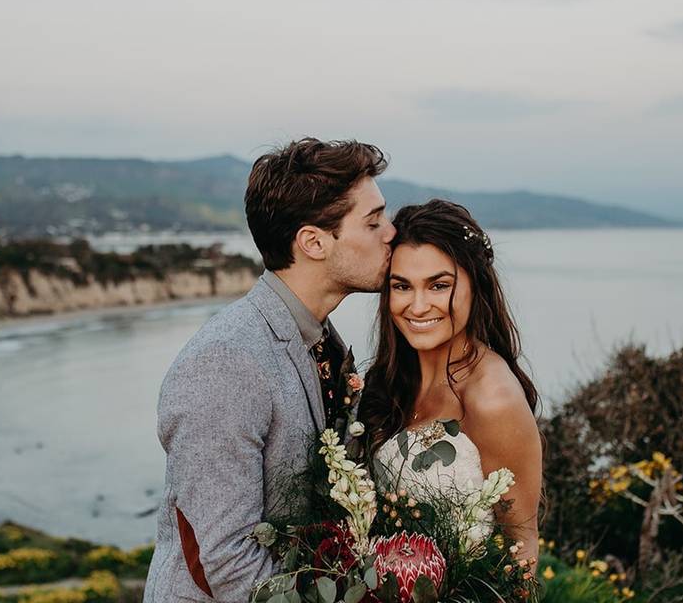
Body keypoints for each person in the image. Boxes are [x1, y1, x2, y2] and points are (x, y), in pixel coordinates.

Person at [143, 138, 396, 603]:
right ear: (314, 242)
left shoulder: (319, 340)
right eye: (374, 221)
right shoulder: (225, 362)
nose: (391, 233)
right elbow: (229, 561)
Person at [358, 199, 543, 563]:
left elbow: (522, 549)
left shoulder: (493, 398)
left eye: (439, 285)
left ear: (476, 286)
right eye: (402, 287)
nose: (418, 306)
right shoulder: (391, 380)